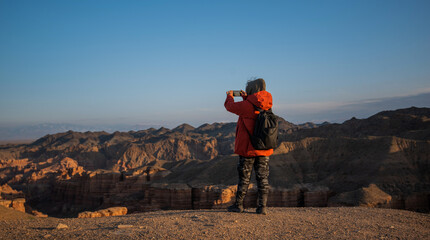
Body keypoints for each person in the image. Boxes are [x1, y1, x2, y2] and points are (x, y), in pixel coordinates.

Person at [224, 78, 274, 215]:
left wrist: (229, 96)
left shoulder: (246, 106)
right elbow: (255, 104)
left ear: (251, 89)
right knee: (263, 178)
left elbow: (230, 107)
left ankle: (238, 205)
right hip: (264, 149)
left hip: (248, 150)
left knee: (244, 179)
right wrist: (247, 97)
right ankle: (262, 207)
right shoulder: (268, 104)